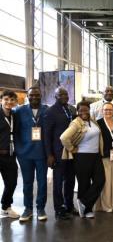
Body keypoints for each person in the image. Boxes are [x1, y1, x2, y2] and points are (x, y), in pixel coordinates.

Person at [60, 101, 105, 218]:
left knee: (100, 180)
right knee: (84, 183)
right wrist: (72, 148)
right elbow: (64, 137)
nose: (84, 112)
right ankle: (87, 210)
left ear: (89, 110)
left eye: (86, 110)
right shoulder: (76, 123)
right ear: (77, 112)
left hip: (95, 155)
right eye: (81, 110)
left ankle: (83, 201)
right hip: (82, 156)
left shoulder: (92, 119)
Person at [14, 87, 48, 221]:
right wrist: (19, 149)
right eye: (31, 95)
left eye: (37, 95)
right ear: (27, 96)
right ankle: (28, 208)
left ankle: (40, 208)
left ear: (41, 96)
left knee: (42, 182)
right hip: (25, 154)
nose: (34, 98)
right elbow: (16, 132)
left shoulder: (47, 111)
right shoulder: (19, 111)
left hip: (42, 153)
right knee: (27, 182)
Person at [43, 87, 78, 220]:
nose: (64, 97)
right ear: (55, 97)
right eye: (61, 95)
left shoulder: (71, 109)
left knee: (70, 180)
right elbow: (47, 135)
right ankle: (59, 208)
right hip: (58, 152)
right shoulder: (50, 112)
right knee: (58, 181)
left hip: (72, 151)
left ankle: (69, 205)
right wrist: (49, 155)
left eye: (66, 94)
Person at [0, 90, 20, 220]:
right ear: (1, 100)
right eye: (6, 99)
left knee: (11, 182)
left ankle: (6, 207)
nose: (9, 102)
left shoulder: (15, 115)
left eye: (12, 99)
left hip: (10, 155)